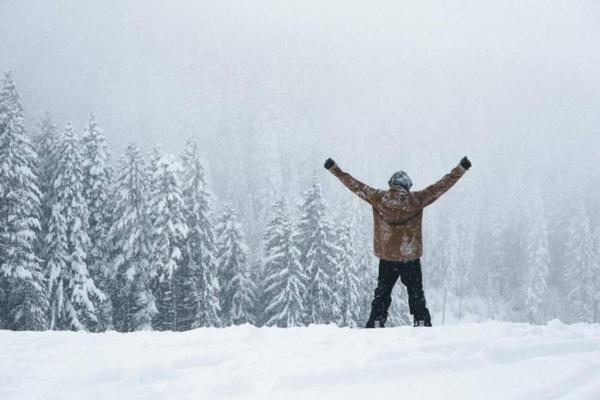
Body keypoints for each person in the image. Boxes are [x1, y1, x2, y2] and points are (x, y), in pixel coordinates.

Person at [324, 156, 471, 327]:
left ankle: (377, 321)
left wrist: (334, 169)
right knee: (416, 292)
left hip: (387, 257)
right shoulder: (416, 199)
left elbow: (355, 185)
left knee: (382, 293)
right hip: (410, 257)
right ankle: (421, 320)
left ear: (392, 184)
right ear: (407, 186)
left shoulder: (378, 198)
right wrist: (461, 168)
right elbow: (441, 186)